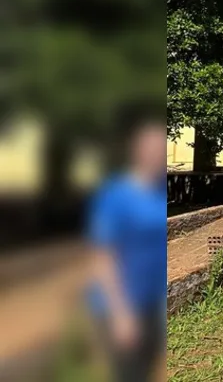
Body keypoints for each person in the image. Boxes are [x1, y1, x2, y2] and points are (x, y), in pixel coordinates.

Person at [87, 112, 167, 382]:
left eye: (162, 149)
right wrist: (120, 313)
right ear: (137, 151)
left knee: (144, 370)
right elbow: (102, 256)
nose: (158, 155)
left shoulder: (159, 192)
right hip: (121, 304)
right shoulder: (115, 194)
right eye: (151, 149)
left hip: (151, 302)